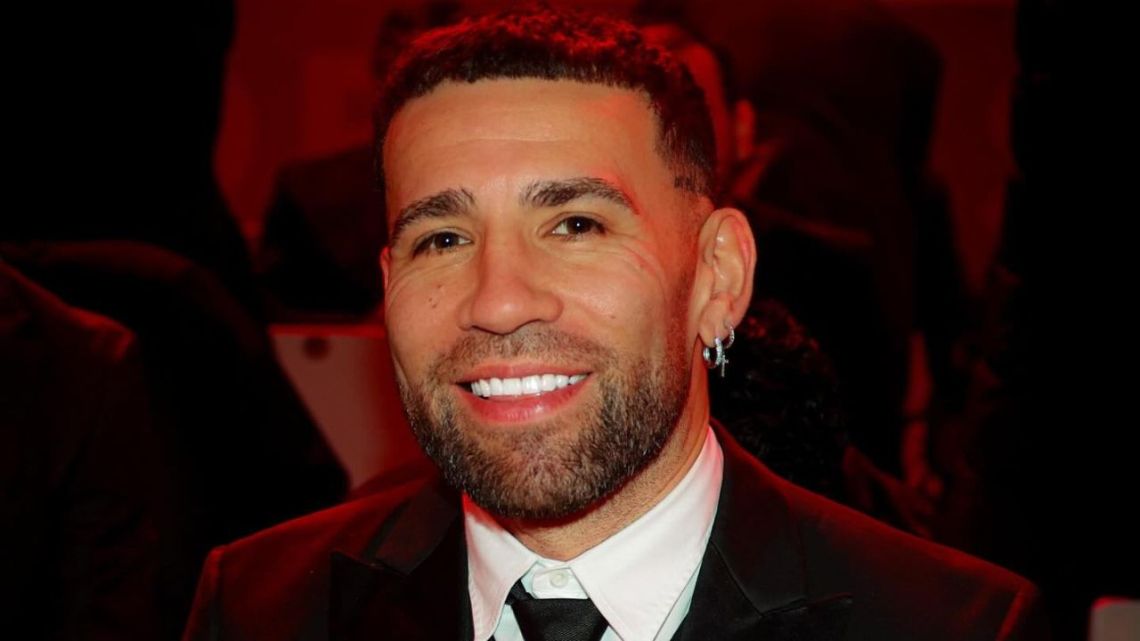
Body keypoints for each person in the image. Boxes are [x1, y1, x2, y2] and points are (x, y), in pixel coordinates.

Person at [182, 8, 1047, 641]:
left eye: (576, 225)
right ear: (387, 281)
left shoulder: (949, 624)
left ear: (717, 275)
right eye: (442, 239)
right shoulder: (259, 609)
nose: (498, 301)